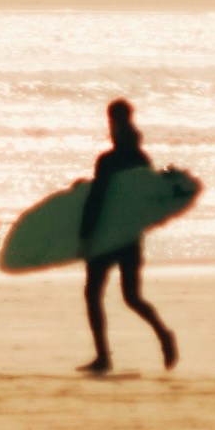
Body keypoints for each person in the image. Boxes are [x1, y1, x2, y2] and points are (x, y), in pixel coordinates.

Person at [76, 98, 180, 378]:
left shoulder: (108, 160)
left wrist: (85, 234)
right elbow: (146, 197)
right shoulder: (140, 158)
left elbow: (99, 198)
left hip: (107, 236)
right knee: (131, 297)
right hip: (130, 236)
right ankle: (163, 335)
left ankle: (103, 357)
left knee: (94, 295)